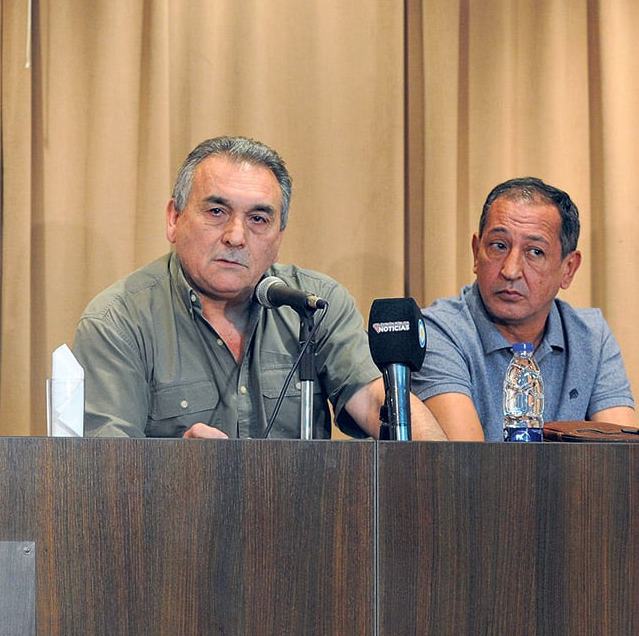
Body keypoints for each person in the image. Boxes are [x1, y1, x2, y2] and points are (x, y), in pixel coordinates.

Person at [74, 135, 445, 440]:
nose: (236, 236)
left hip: (302, 523)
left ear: (279, 236)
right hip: (173, 526)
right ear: (174, 218)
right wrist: (176, 471)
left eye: (258, 219)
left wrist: (431, 464)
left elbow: (375, 399)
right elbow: (107, 473)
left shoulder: (314, 305)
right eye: (216, 212)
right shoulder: (117, 320)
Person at [411, 177, 636, 441]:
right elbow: (467, 461)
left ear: (568, 269)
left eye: (535, 252)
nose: (510, 270)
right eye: (499, 246)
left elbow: (627, 456)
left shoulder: (590, 336)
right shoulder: (438, 332)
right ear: (475, 252)